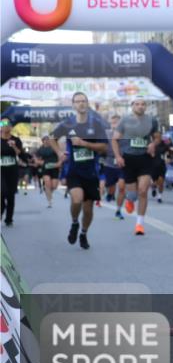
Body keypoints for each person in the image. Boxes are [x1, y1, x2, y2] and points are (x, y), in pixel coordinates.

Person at [48, 93, 109, 250]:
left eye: (84, 101)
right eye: (78, 101)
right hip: (74, 170)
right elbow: (51, 138)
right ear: (73, 105)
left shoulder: (96, 124)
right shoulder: (68, 124)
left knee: (88, 209)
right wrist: (60, 153)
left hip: (91, 172)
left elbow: (104, 147)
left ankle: (83, 232)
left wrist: (84, 144)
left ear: (87, 104)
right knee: (77, 199)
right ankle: (75, 223)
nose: (81, 104)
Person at [111, 99, 160, 236]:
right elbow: (115, 139)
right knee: (133, 194)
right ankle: (130, 199)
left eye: (143, 104)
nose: (140, 106)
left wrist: (153, 144)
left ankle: (140, 224)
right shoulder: (125, 121)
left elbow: (157, 137)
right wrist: (118, 156)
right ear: (132, 106)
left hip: (145, 159)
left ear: (146, 106)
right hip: (129, 159)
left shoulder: (152, 121)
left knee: (143, 191)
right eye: (137, 104)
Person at [1, 119, 23, 226]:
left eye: (7, 124)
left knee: (10, 195)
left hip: (12, 171)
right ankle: (1, 208)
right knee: (2, 192)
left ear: (11, 127)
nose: (4, 126)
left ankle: (9, 219)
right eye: (2, 124)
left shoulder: (16, 139)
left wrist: (13, 146)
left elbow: (20, 153)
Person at [35, 134, 60, 209]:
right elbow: (36, 159)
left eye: (48, 139)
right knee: (47, 183)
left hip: (55, 167)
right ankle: (49, 201)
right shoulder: (40, 149)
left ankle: (49, 193)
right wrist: (39, 162)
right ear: (42, 141)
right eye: (45, 139)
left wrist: (59, 163)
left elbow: (60, 155)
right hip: (45, 168)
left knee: (54, 186)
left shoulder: (54, 147)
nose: (46, 141)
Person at [151, 135, 170, 203]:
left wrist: (168, 158)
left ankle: (159, 196)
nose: (157, 139)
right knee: (155, 183)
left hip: (162, 166)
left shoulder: (165, 146)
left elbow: (168, 154)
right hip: (153, 166)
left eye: (158, 138)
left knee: (161, 182)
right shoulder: (151, 145)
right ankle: (153, 188)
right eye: (156, 138)